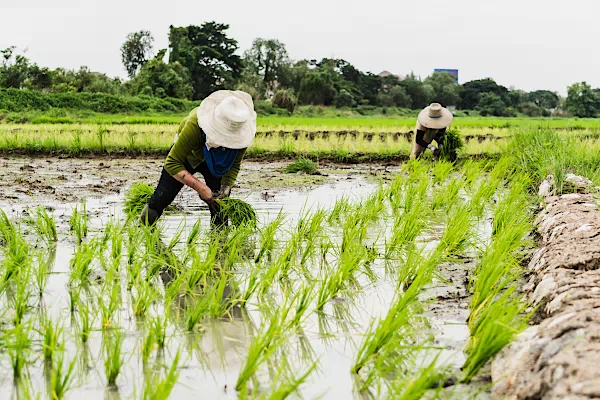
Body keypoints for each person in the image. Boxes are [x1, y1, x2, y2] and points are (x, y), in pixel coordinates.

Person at [140, 90, 256, 227]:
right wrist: (201, 188)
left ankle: (220, 244)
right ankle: (143, 231)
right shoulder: (195, 123)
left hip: (217, 163)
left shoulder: (242, 134)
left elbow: (234, 165)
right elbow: (172, 163)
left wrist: (225, 188)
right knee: (161, 197)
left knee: (219, 208)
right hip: (187, 158)